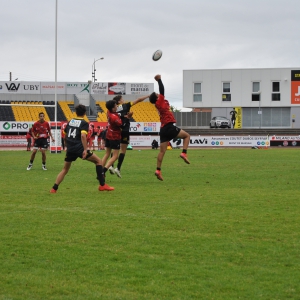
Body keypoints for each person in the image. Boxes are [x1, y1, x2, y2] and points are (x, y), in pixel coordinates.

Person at [50, 104, 114, 193]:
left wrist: (66, 146)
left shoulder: (71, 121)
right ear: (85, 113)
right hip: (79, 148)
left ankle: (54, 188)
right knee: (98, 161)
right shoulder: (84, 123)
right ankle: (102, 185)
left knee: (65, 169)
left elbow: (65, 135)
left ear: (76, 112)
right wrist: (85, 149)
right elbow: (83, 136)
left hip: (70, 148)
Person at [149, 74, 191, 181]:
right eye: (157, 94)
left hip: (163, 129)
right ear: (157, 97)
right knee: (187, 136)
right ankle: (184, 153)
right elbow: (162, 90)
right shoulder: (160, 101)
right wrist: (159, 80)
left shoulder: (159, 103)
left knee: (162, 151)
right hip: (169, 126)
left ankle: (158, 170)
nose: (158, 93)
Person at [109, 94, 150, 178]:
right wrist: (147, 96)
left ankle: (110, 165)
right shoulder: (125, 105)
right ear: (119, 101)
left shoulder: (113, 109)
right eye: (122, 99)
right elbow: (138, 99)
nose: (123, 100)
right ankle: (118, 168)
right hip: (125, 130)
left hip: (116, 130)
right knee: (123, 150)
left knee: (115, 149)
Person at [101, 100, 123, 175]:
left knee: (107, 153)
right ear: (113, 108)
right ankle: (103, 171)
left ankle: (100, 170)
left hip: (108, 134)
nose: (117, 106)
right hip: (115, 137)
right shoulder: (114, 117)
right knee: (115, 156)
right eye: (116, 105)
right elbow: (121, 124)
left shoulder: (109, 112)